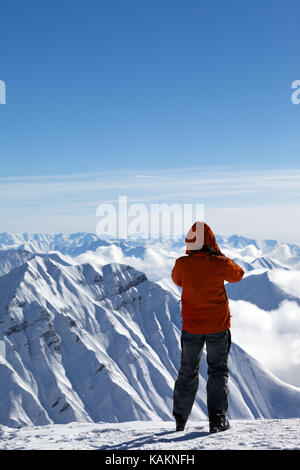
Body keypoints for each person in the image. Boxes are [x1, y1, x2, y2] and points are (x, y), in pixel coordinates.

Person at [171, 221, 244, 433]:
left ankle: (180, 420)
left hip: (192, 327)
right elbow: (238, 275)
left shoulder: (182, 263)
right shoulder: (218, 262)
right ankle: (218, 419)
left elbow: (178, 280)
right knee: (218, 371)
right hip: (218, 327)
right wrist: (219, 255)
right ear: (210, 241)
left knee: (187, 371)